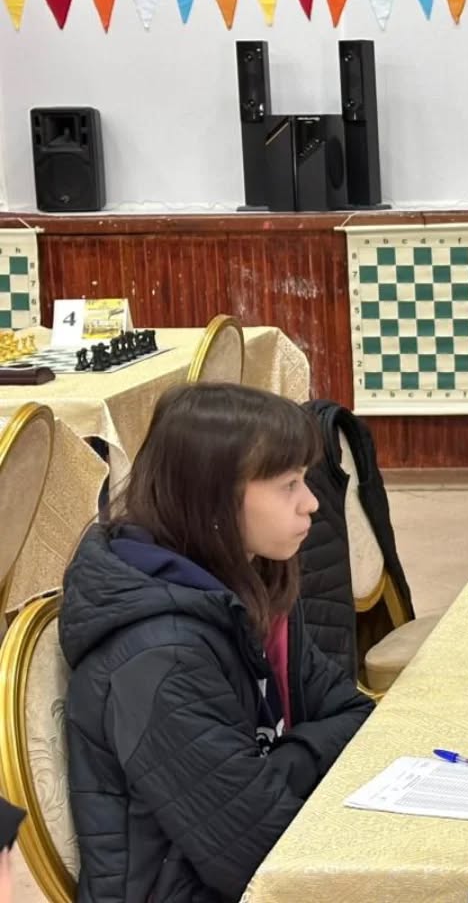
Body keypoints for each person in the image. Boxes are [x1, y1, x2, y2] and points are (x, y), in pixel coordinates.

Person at [62, 383, 374, 903]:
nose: (313, 503)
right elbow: (262, 864)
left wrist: (278, 766)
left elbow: (357, 717)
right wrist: (289, 769)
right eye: (288, 485)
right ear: (215, 498)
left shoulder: (249, 590)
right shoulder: (159, 659)